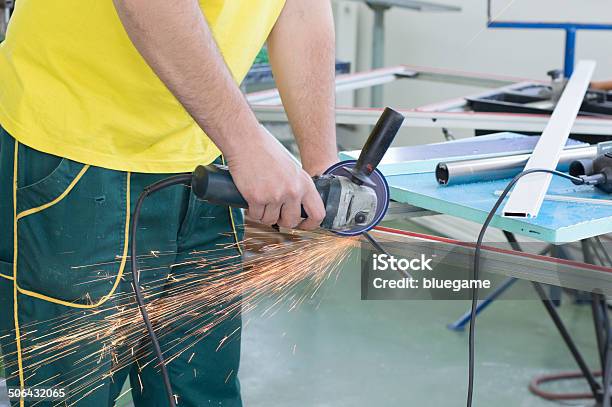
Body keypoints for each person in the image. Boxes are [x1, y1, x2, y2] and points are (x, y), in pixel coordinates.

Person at [0, 0, 338, 405]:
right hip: (77, 152)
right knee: (66, 393)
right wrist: (247, 143)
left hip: (204, 151)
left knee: (201, 389)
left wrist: (325, 167)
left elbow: (299, 8)